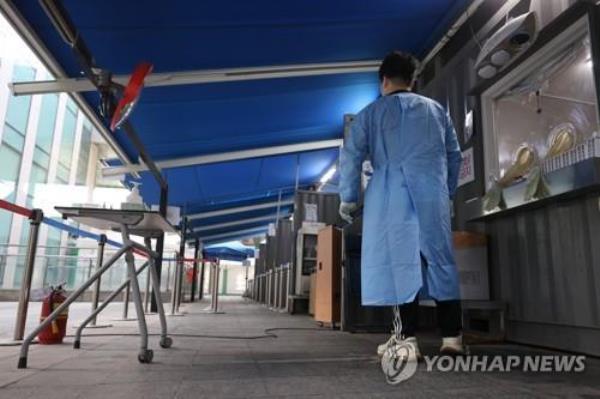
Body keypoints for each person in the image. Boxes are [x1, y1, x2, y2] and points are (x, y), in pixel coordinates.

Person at [338, 51, 464, 359]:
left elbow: (351, 156)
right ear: (413, 80)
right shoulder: (436, 111)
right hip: (431, 194)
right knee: (440, 261)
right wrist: (445, 191)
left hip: (390, 196)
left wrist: (348, 197)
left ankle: (407, 342)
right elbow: (454, 155)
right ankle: (452, 339)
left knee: (400, 262)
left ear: (383, 81)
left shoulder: (369, 114)